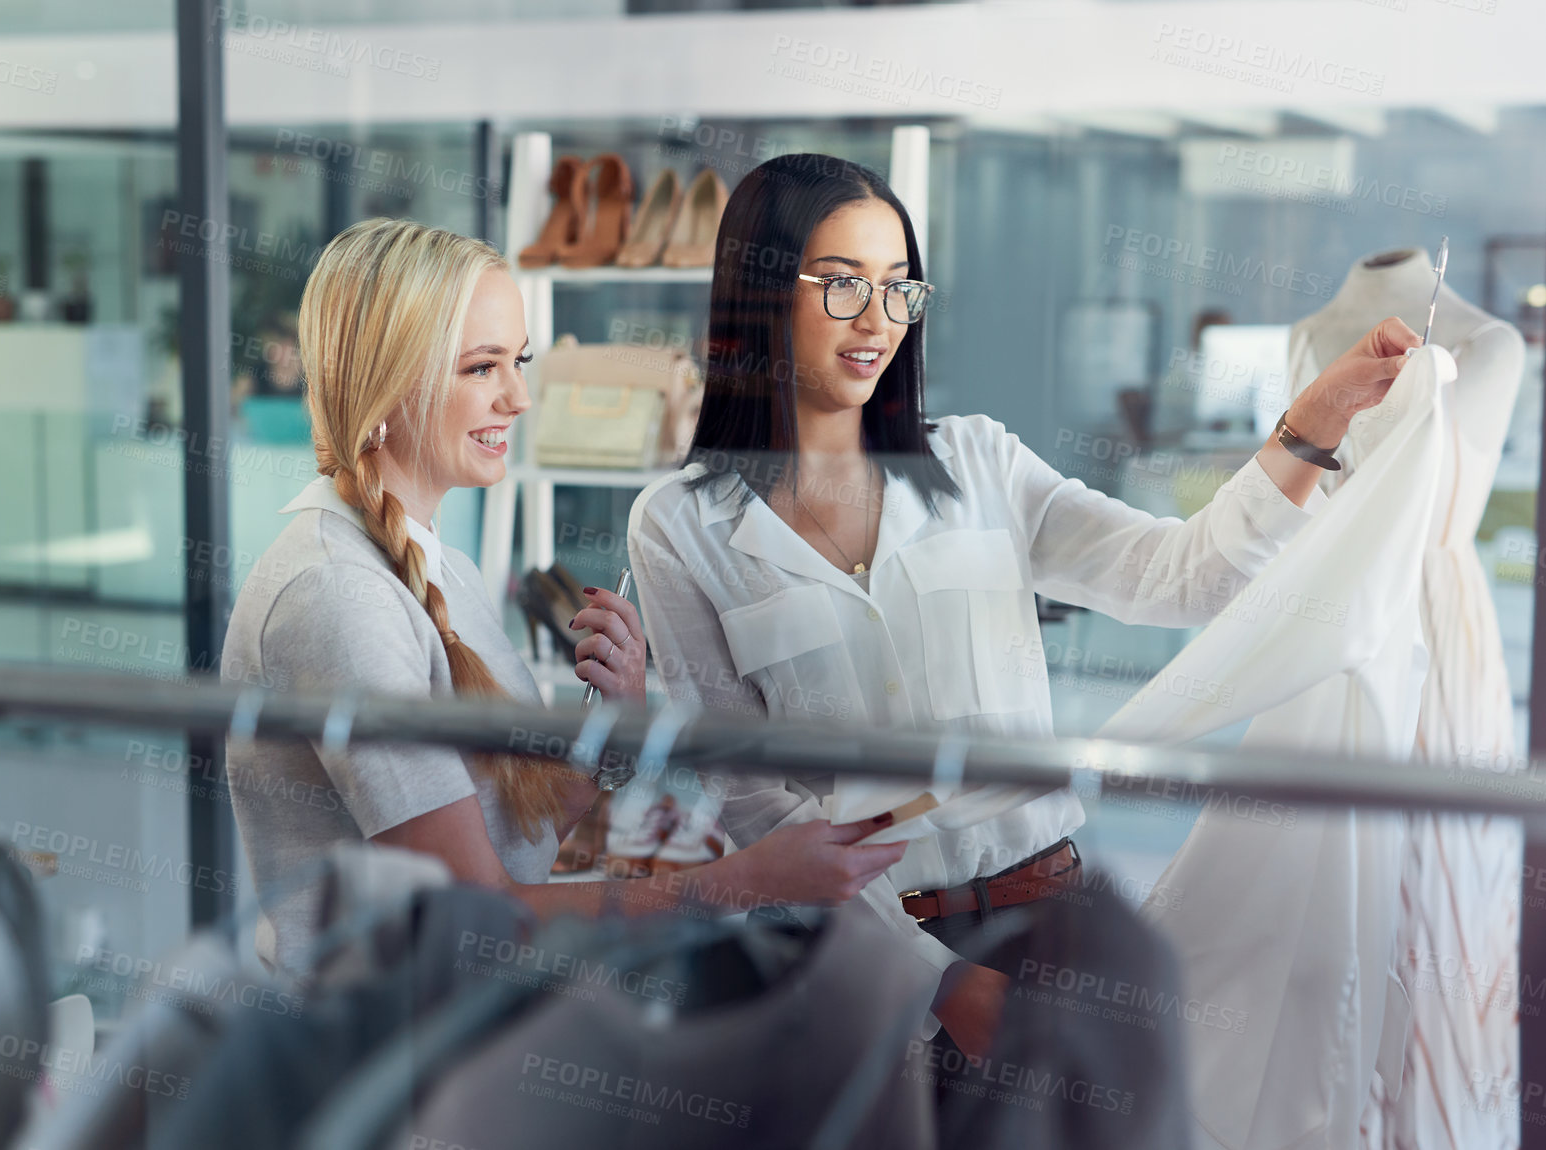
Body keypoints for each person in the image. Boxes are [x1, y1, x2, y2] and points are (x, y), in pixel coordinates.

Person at [624, 153, 1419, 1056]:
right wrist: (939, 985)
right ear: (760, 291)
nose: (877, 322)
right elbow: (750, 798)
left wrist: (1312, 420)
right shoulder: (679, 525)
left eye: (898, 289)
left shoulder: (978, 463)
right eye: (842, 286)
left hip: (1055, 921)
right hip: (861, 959)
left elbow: (1179, 574)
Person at [220, 218, 908, 975]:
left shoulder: (439, 565)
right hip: (378, 1061)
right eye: (482, 368)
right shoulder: (340, 595)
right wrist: (748, 879)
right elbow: (477, 916)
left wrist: (605, 727)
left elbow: (517, 838)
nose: (517, 397)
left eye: (517, 361)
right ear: (386, 382)